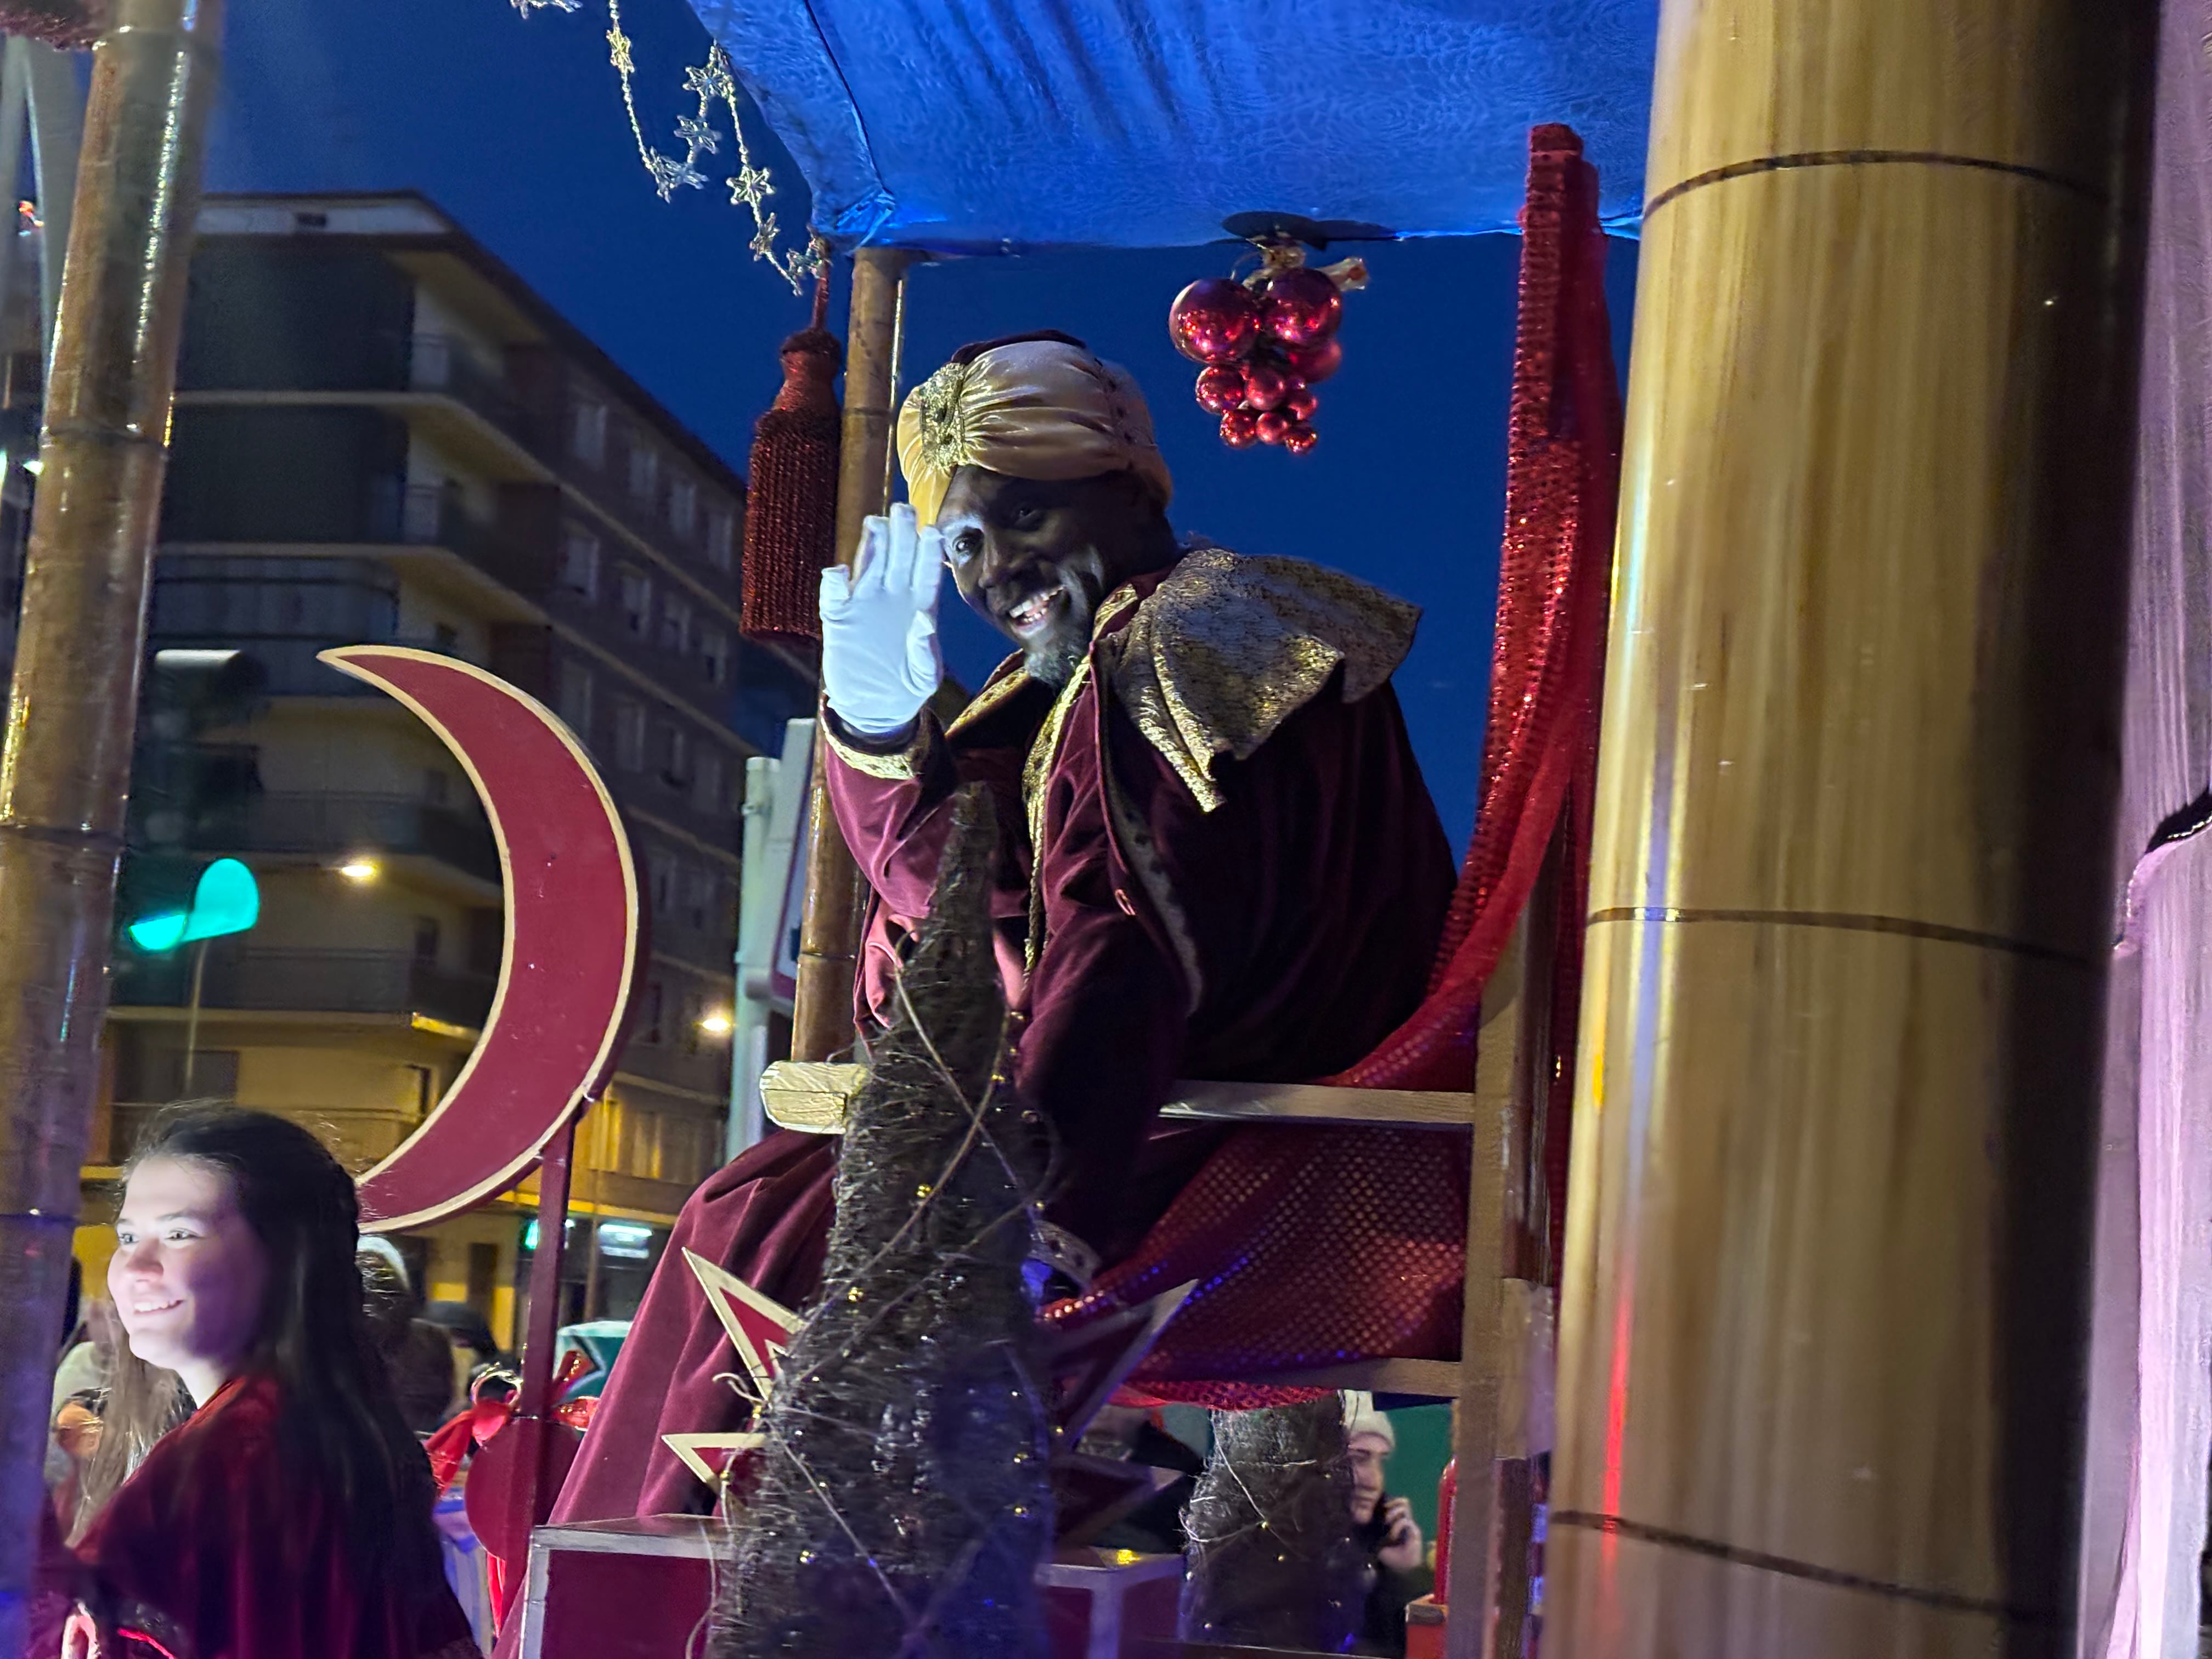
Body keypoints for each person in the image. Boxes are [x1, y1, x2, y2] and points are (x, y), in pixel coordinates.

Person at [547, 331, 1454, 1526]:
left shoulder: (1176, 642)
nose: (992, 572)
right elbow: (972, 904)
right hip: (1191, 1121)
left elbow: (1125, 945)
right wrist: (878, 726)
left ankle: (697, 1580)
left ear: (1129, 491)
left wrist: (1023, 1219)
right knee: (756, 1205)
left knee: (764, 1227)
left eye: (1025, 515)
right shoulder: (1117, 655)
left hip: (1201, 1138)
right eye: (962, 543)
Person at [30, 1104, 476, 1659]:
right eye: (127, 1237)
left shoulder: (235, 1456)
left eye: (179, 1233)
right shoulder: (323, 1427)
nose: (137, 1267)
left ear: (288, 1259)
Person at [1344, 1395, 1431, 1657]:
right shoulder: (1297, 1549)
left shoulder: (1378, 1544)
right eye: (1359, 1459)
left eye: (1380, 1461)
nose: (1374, 1481)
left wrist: (1406, 1574)